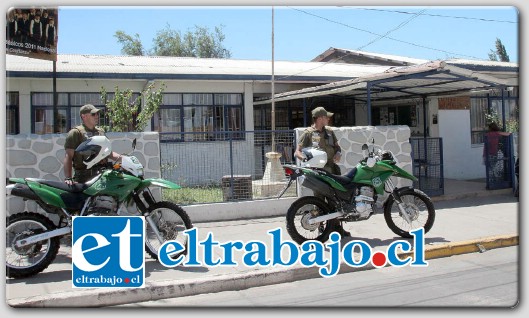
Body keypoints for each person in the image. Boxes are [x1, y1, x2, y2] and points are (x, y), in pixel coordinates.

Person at [294, 106, 350, 237]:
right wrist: (305, 158)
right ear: (320, 118)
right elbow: (297, 151)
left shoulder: (330, 132)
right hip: (318, 173)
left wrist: (338, 153)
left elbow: (338, 147)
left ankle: (336, 227)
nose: (328, 119)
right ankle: (321, 228)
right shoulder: (308, 133)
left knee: (335, 200)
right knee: (319, 200)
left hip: (332, 171)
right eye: (326, 117)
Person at [63, 104, 121, 185]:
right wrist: (68, 177)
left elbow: (109, 153)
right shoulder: (76, 133)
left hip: (102, 175)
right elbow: (68, 156)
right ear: (84, 116)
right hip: (84, 178)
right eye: (93, 114)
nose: (97, 116)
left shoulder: (100, 132)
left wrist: (124, 159)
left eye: (97, 114)